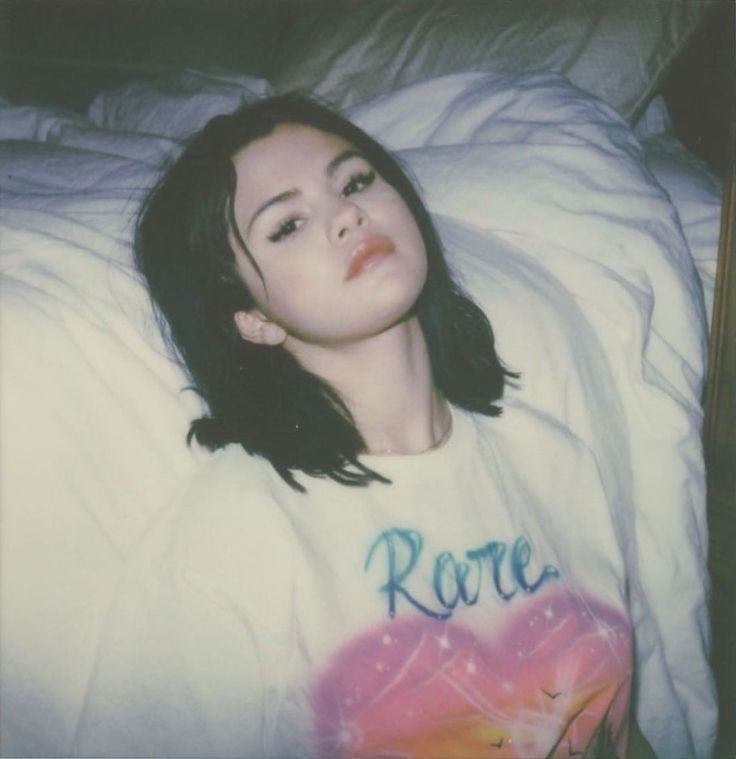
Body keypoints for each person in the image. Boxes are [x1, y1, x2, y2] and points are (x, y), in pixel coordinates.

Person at [75, 95, 648, 757]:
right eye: (287, 224)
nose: (348, 213)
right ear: (251, 317)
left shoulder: (554, 456)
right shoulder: (237, 528)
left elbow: (617, 726)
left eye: (355, 181)